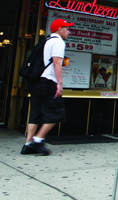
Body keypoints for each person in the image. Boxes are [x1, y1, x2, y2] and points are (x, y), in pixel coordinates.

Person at [21, 18, 74, 156]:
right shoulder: (58, 42)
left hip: (36, 82)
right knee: (56, 113)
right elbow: (57, 63)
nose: (69, 31)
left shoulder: (46, 41)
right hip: (47, 82)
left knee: (35, 113)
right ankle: (37, 141)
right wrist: (60, 83)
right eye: (66, 28)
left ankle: (27, 144)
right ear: (59, 29)